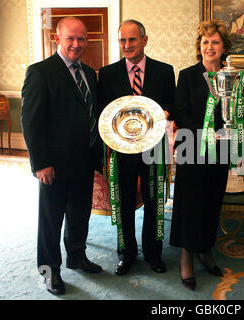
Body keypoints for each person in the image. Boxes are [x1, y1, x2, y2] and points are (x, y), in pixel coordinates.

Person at [21, 17, 103, 296]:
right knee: (51, 219)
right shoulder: (40, 72)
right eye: (70, 38)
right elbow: (31, 121)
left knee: (80, 214)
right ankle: (49, 270)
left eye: (81, 39)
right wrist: (40, 162)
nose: (76, 44)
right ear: (57, 39)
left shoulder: (90, 74)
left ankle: (77, 256)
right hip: (53, 165)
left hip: (85, 159)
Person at [97, 19, 176, 276]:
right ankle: (126, 253)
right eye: (122, 40)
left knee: (155, 202)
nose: (127, 45)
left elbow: (173, 106)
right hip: (122, 152)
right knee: (124, 202)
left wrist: (165, 112)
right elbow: (102, 114)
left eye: (132, 39)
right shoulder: (107, 74)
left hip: (155, 149)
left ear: (144, 40)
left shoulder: (165, 71)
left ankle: (154, 254)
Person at [169, 19, 232, 291]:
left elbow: (235, 113)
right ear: (199, 46)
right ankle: (186, 258)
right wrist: (208, 132)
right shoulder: (187, 75)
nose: (210, 46)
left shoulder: (231, 76)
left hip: (221, 151)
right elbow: (180, 112)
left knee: (211, 202)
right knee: (189, 204)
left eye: (215, 42)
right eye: (205, 42)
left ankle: (206, 250)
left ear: (223, 47)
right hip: (191, 148)